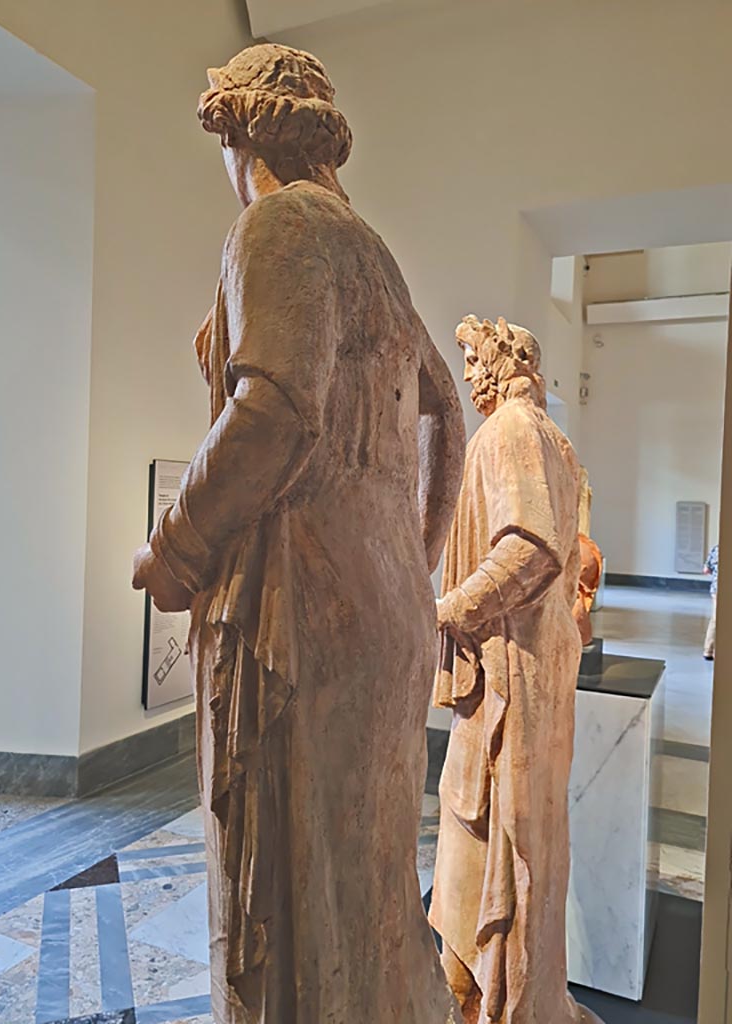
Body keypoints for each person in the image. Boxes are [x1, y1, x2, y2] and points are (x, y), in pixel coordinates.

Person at [132, 43, 465, 1024]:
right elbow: (447, 410)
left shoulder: (275, 224)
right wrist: (418, 555)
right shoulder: (373, 251)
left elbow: (275, 408)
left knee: (293, 888)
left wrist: (175, 547)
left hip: (296, 616)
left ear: (235, 130)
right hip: (380, 604)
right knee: (359, 881)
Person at [431, 316, 594, 1024]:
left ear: (505, 359)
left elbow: (531, 549)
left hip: (511, 670)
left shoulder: (510, 432)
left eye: (474, 357)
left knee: (499, 839)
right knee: (520, 838)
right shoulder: (554, 438)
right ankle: (506, 996)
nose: (469, 374)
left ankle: (497, 1000)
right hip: (534, 663)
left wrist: (447, 608)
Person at [704, 543, 719, 661]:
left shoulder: (716, 548)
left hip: (716, 589)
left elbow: (706, 570)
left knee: (715, 619)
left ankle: (708, 650)